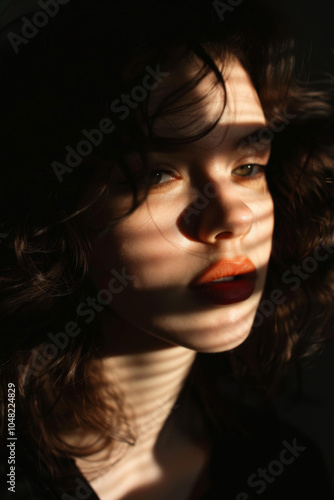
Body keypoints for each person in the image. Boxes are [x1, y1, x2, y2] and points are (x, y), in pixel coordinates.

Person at [0, 0, 333, 498]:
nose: (233, 218)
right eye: (158, 175)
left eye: (248, 167)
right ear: (56, 214)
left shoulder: (284, 468)